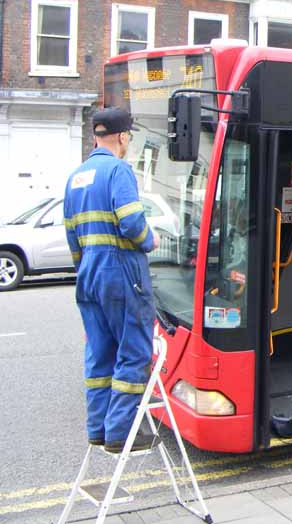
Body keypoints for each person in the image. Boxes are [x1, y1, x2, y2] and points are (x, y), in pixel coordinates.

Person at [63, 107, 160, 453]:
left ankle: (98, 428)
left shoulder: (76, 177)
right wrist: (151, 240)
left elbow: (72, 237)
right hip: (121, 273)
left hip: (88, 274)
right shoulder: (118, 170)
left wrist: (86, 269)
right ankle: (121, 432)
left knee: (100, 353)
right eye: (128, 138)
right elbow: (132, 223)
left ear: (95, 136)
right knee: (134, 351)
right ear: (122, 137)